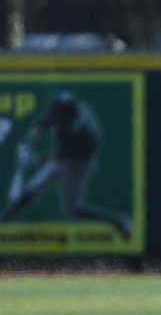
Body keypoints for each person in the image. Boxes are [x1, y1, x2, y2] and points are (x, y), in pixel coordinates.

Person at [1, 92, 131, 239]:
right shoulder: (64, 111)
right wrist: (28, 141)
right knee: (31, 189)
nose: (55, 117)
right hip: (65, 157)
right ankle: (3, 221)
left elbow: (62, 158)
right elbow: (44, 123)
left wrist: (36, 159)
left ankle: (118, 221)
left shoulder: (82, 130)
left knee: (73, 210)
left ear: (68, 116)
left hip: (79, 163)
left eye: (59, 115)